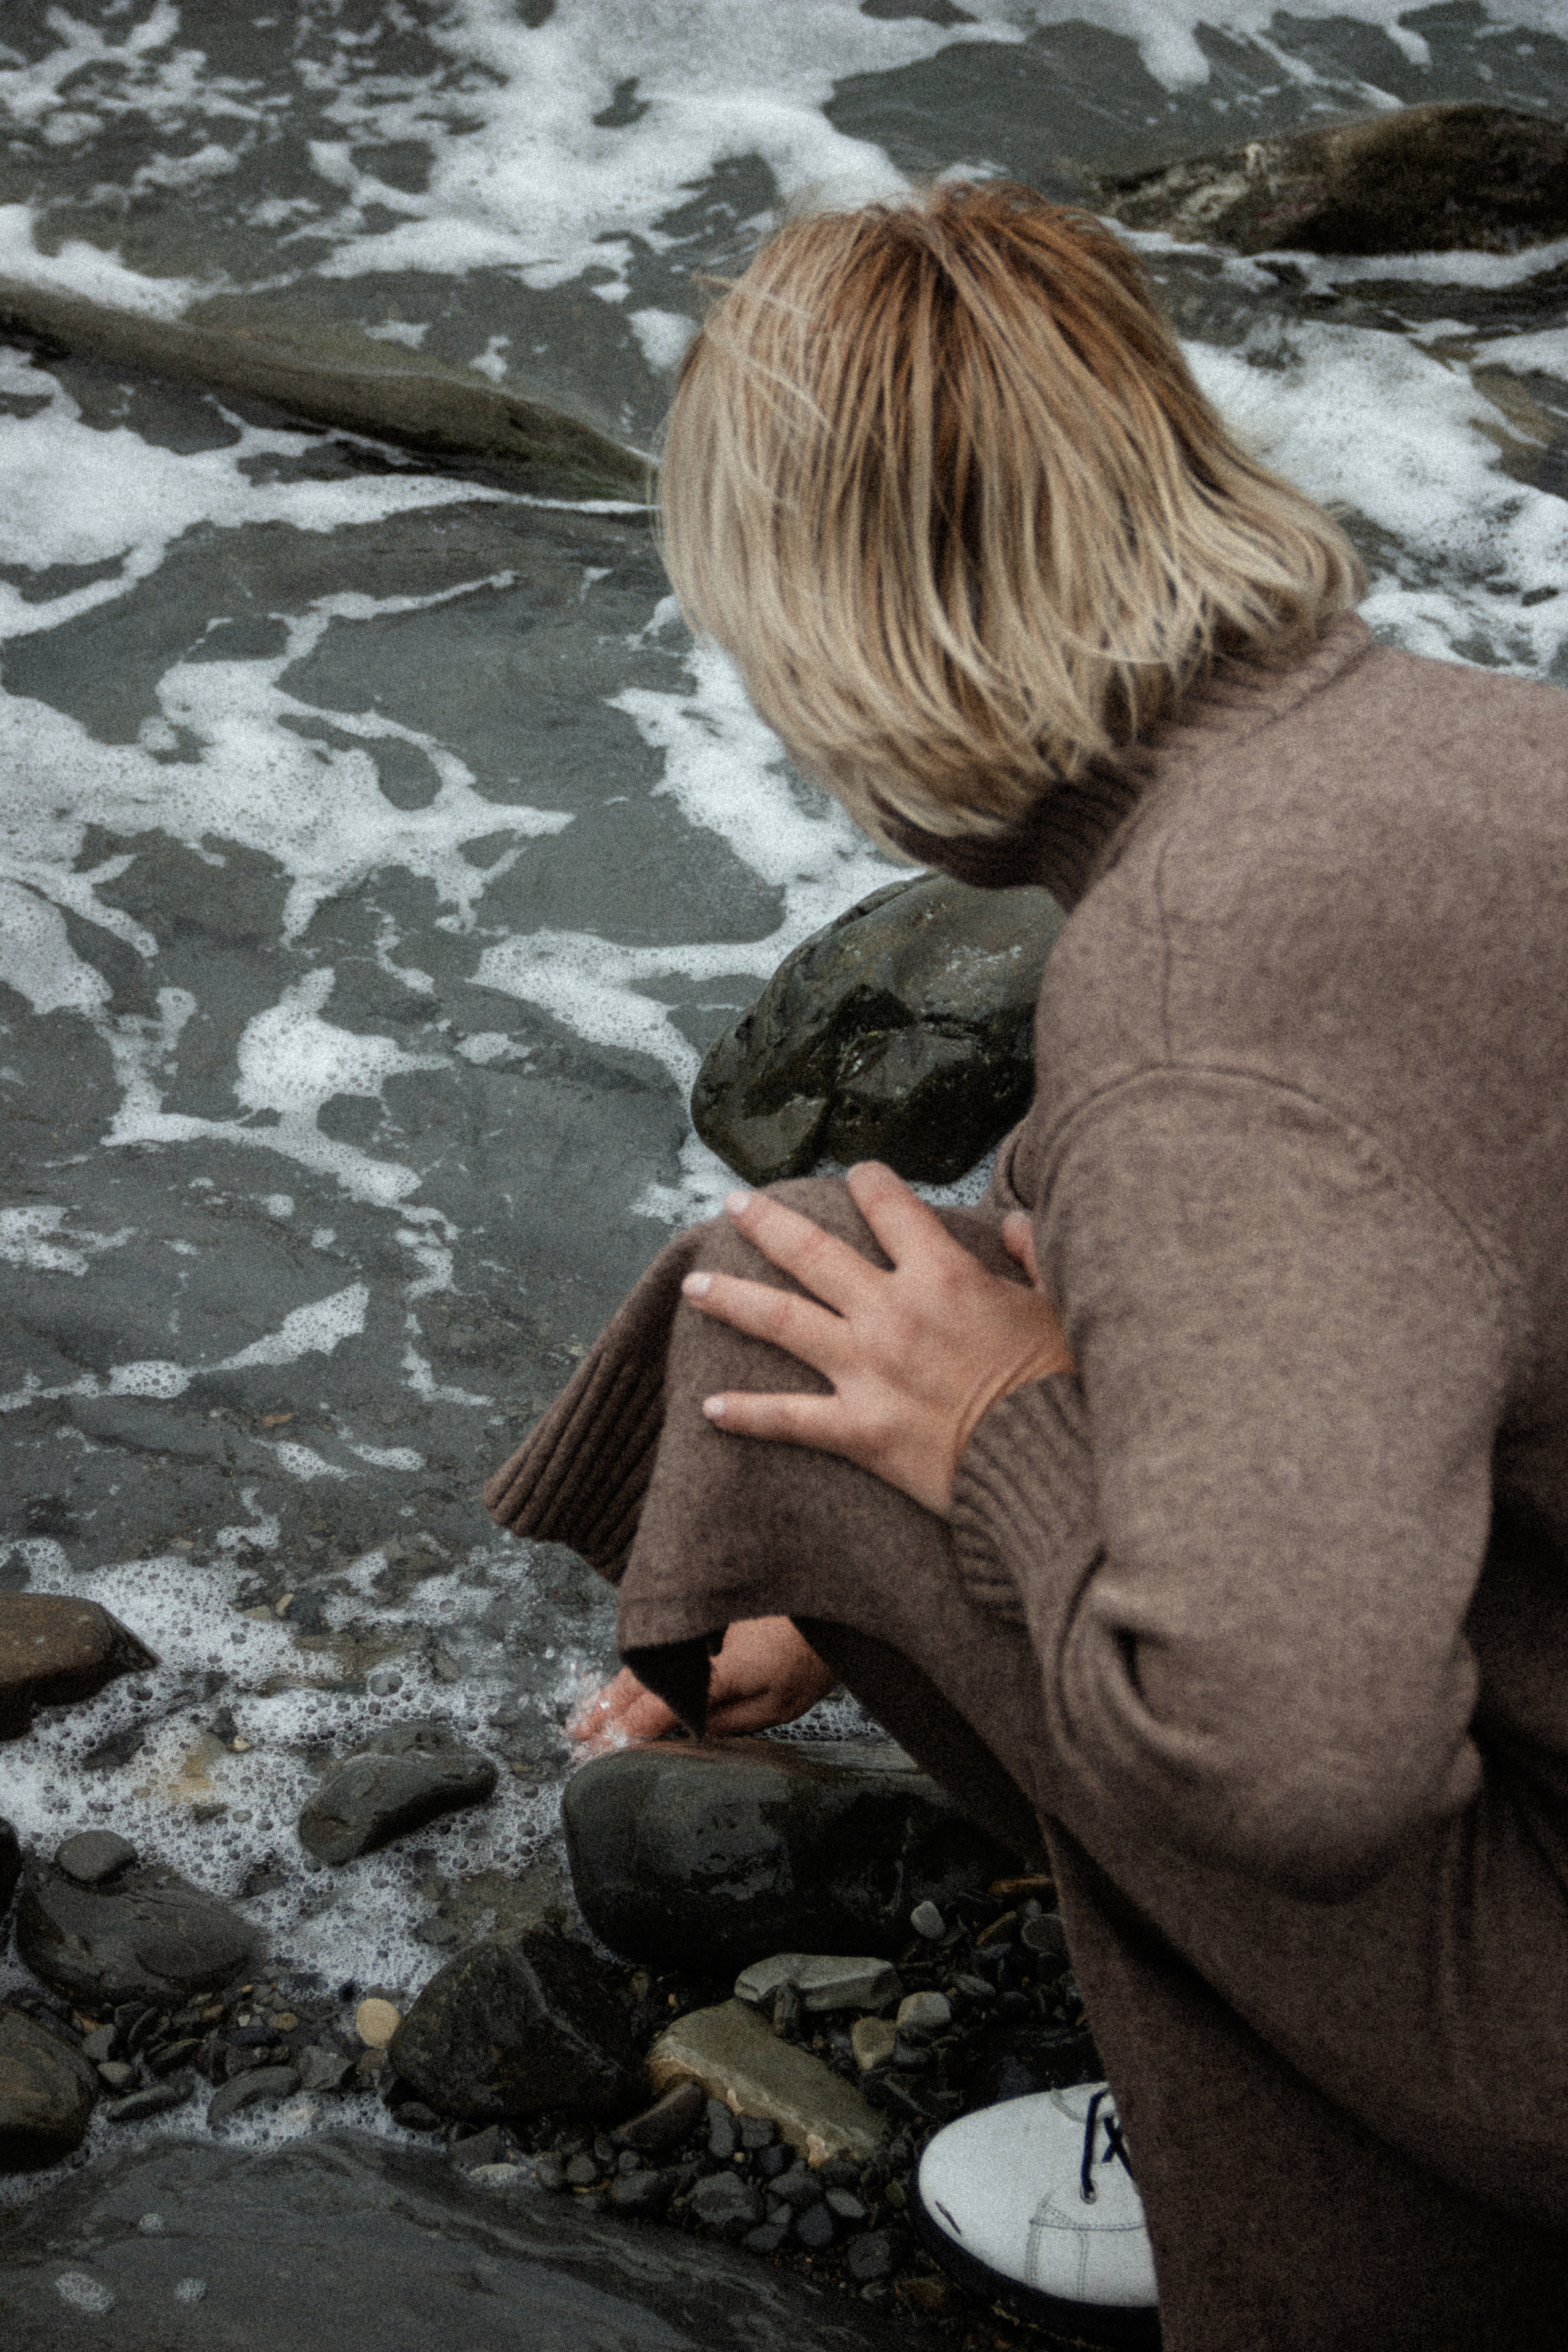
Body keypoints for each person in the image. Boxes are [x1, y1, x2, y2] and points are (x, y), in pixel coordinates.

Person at [486, 181, 1568, 2349]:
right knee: (901, 1289)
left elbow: (1296, 1768)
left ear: (850, 629)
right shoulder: (1467, 742)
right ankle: (783, 1659)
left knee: (794, 1298)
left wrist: (994, 1455)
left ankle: (1283, 2141)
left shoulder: (1200, 998)